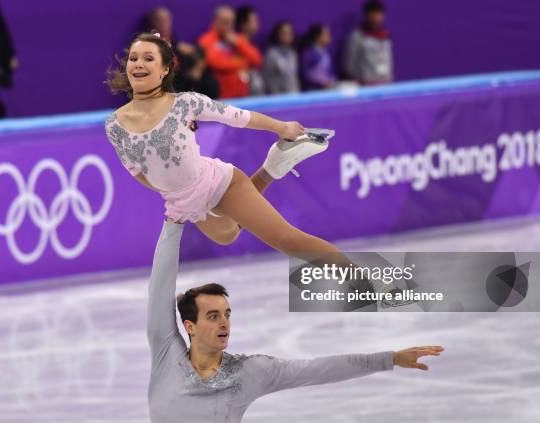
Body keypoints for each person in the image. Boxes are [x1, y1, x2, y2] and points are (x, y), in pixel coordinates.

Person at [104, 32, 405, 303]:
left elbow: (238, 116)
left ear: (165, 69)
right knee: (227, 235)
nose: (138, 64)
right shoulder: (115, 125)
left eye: (148, 58)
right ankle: (272, 168)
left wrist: (281, 127)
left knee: (286, 240)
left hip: (220, 183)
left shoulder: (184, 103)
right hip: (184, 202)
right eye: (133, 58)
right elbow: (139, 173)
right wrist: (174, 193)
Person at [145, 219, 444, 422]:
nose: (224, 323)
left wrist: (389, 358)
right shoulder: (166, 356)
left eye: (227, 314)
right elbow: (160, 286)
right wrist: (174, 223)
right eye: (213, 316)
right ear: (189, 327)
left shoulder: (248, 372)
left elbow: (317, 370)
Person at [198, 6, 262, 98]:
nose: (228, 26)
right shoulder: (206, 40)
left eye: (231, 23)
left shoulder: (237, 39)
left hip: (242, 94)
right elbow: (215, 63)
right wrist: (243, 63)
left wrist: (239, 44)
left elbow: (257, 60)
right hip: (220, 97)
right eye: (224, 22)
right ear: (215, 21)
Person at [343, 0, 393, 85]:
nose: (376, 16)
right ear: (366, 15)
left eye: (379, 13)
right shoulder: (356, 36)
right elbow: (349, 65)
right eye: (373, 13)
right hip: (366, 85)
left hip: (385, 83)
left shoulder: (386, 36)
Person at [262, 20, 300, 94]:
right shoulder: (271, 54)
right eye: (284, 33)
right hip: (277, 96)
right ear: (277, 34)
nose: (287, 35)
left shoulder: (293, 53)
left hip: (293, 94)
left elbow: (294, 76)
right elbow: (265, 77)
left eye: (290, 33)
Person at [235, 5, 263, 95]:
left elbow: (257, 61)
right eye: (254, 20)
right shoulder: (234, 43)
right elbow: (257, 60)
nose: (257, 23)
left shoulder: (249, 44)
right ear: (243, 24)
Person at [299, 24, 337, 91]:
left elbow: (329, 71)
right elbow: (305, 74)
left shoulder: (325, 53)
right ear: (317, 37)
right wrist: (321, 83)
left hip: (327, 89)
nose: (329, 36)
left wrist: (332, 80)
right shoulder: (308, 53)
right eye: (326, 34)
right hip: (313, 91)